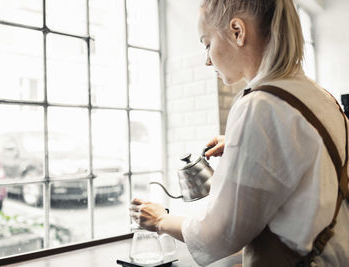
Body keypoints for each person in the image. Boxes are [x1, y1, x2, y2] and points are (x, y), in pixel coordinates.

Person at [129, 0, 349, 266]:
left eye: (207, 43)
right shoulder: (321, 96)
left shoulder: (259, 105)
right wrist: (242, 145)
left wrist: (161, 220)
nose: (208, 60)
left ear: (237, 31)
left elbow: (220, 234)